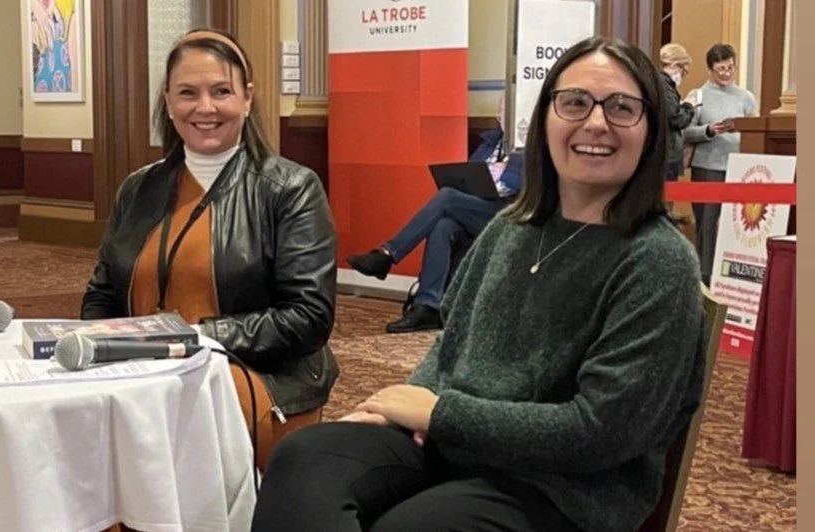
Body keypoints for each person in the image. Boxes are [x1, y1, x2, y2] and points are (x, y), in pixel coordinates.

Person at [252, 36, 707, 532]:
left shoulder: (658, 260)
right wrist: (402, 410)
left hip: (565, 489)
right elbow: (452, 346)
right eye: (574, 102)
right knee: (304, 458)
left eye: (622, 107)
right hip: (456, 446)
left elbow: (600, 432)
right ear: (547, 120)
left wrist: (443, 414)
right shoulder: (512, 227)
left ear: (650, 129)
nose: (595, 123)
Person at [80, 29, 338, 469]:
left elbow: (307, 318)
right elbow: (101, 296)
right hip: (141, 377)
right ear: (167, 100)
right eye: (187, 93)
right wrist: (105, 357)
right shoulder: (137, 190)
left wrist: (192, 340)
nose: (205, 108)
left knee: (159, 442)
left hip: (255, 379)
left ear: (248, 98)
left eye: (221, 91)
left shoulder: (290, 189)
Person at [345, 98, 522, 333]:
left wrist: (503, 172)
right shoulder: (492, 142)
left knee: (448, 197)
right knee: (444, 226)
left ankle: (387, 254)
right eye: (499, 110)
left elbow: (522, 184)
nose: (501, 115)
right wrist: (484, 175)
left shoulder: (529, 144)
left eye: (506, 110)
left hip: (510, 212)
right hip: (482, 207)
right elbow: (472, 171)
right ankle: (427, 306)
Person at [683, 43, 757, 285]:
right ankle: (703, 278)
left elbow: (755, 131)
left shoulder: (746, 98)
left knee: (735, 226)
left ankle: (729, 279)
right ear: (710, 70)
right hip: (707, 169)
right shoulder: (698, 95)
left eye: (730, 68)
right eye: (720, 69)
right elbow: (684, 132)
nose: (726, 73)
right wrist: (708, 130)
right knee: (706, 224)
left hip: (737, 170)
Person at [659, 43, 697, 181]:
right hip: (666, 154)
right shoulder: (664, 85)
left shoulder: (658, 83)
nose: (681, 75)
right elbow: (676, 118)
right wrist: (688, 106)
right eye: (683, 71)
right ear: (675, 65)